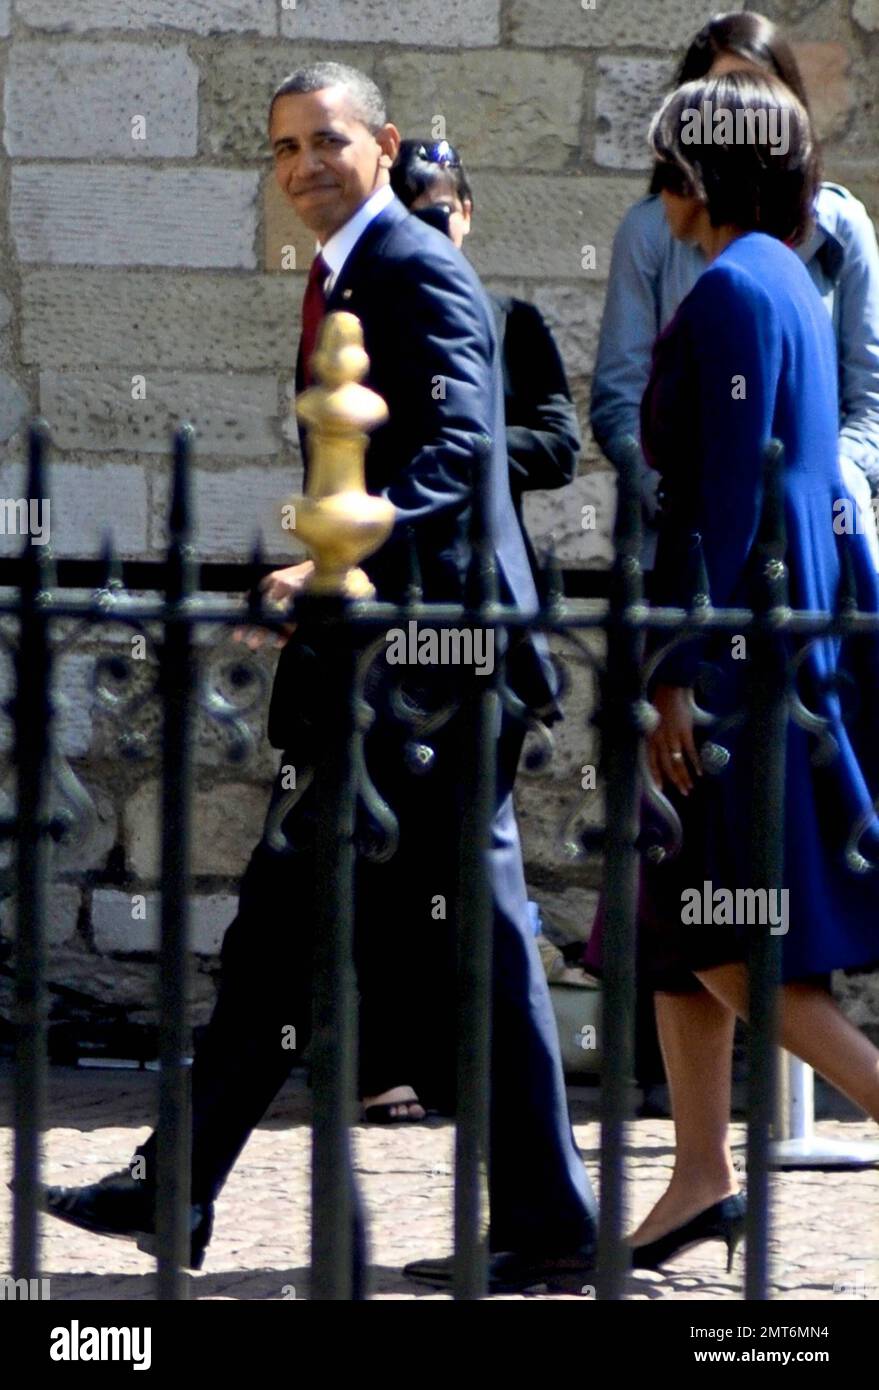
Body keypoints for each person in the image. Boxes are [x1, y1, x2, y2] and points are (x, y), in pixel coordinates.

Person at [40, 62, 599, 1293]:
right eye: (284, 148)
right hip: (381, 654)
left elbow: (457, 452)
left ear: (383, 144)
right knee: (291, 928)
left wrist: (343, 552)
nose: (303, 166)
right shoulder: (343, 269)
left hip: (439, 670)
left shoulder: (415, 264)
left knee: (459, 937)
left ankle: (552, 1221)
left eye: (327, 142)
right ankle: (173, 1187)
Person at [626, 70, 879, 1272]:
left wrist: (674, 671)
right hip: (787, 631)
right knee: (676, 925)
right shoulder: (786, 275)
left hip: (742, 655)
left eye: (669, 171)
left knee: (731, 930)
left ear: (701, 177)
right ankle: (696, 1176)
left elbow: (719, 500)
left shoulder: (731, 287)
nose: (659, 195)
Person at [591, 11, 879, 572]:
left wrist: (824, 494)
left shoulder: (737, 283)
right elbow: (623, 396)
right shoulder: (770, 264)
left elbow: (738, 479)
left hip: (742, 574)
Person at [390, 138, 581, 582]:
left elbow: (560, 450)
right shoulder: (370, 320)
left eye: (441, 214)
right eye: (411, 219)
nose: (429, 232)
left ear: (467, 214)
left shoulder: (514, 323)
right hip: (394, 566)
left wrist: (465, 446)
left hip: (486, 565)